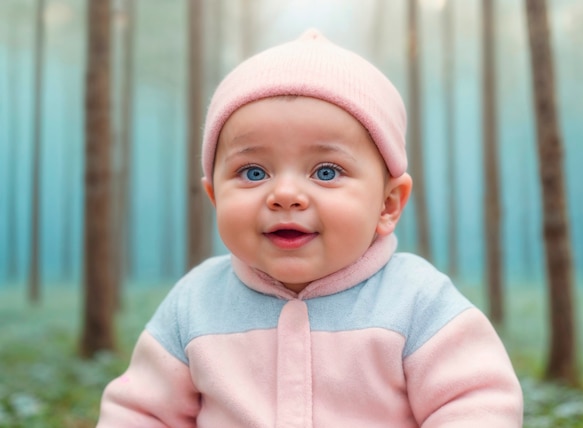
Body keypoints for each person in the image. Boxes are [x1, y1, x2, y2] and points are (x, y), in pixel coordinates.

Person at [97, 29, 523, 427]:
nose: (284, 195)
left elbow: (478, 405)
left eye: (325, 171)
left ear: (387, 204)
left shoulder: (419, 303)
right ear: (214, 197)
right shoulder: (194, 305)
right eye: (252, 172)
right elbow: (139, 413)